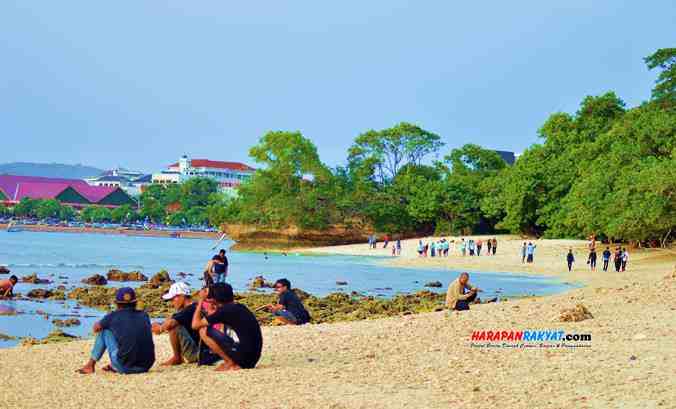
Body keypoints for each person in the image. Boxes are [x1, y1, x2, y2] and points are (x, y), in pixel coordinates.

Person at [77, 287, 155, 374]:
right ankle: (114, 365)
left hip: (125, 367)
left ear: (117, 304)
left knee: (105, 331)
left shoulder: (113, 316)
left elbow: (96, 328)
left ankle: (90, 365)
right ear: (135, 302)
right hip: (146, 366)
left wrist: (105, 322)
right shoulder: (144, 315)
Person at [192, 283, 263, 371]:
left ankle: (229, 362)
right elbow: (215, 319)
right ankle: (231, 360)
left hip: (244, 359)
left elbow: (195, 325)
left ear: (215, 298)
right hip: (253, 358)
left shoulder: (224, 311)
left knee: (203, 330)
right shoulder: (239, 307)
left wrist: (200, 301)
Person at [152, 282, 206, 366]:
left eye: (173, 299)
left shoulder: (189, 310)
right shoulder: (195, 307)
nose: (172, 302)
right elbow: (173, 318)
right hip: (206, 350)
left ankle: (177, 357)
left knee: (174, 326)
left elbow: (171, 323)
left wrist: (160, 329)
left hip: (197, 354)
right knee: (174, 321)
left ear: (181, 296)